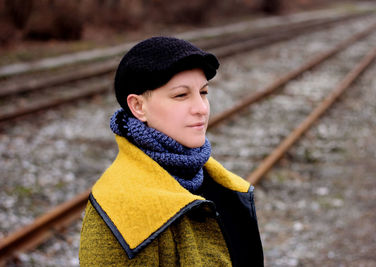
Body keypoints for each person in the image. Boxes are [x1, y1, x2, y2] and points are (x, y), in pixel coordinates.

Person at [79, 36, 263, 266]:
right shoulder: (116, 212)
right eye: (181, 95)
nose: (201, 108)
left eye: (203, 92)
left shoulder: (224, 187)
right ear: (138, 106)